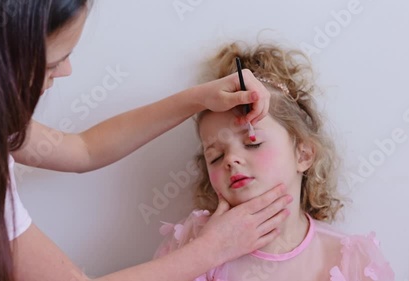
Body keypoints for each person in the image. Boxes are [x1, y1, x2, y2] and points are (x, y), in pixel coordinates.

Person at [0, 1, 293, 281]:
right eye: (54, 60)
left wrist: (199, 98)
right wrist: (211, 250)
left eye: (252, 143)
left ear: (305, 154)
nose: (66, 70)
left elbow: (83, 150)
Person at [153, 42, 395, 280]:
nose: (231, 160)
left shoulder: (349, 259)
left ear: (303, 155)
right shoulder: (195, 242)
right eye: (215, 156)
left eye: (252, 143)